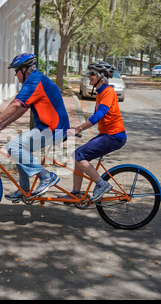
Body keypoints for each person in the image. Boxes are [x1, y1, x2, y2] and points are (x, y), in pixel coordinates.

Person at [0, 53, 70, 202]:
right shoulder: (36, 80)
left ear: (25, 70)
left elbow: (15, 104)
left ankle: (46, 176)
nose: (15, 75)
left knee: (13, 146)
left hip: (53, 129)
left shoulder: (34, 81)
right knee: (18, 150)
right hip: (50, 128)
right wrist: (3, 125)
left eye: (16, 71)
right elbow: (22, 108)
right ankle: (24, 190)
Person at [61, 61, 127, 201]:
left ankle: (101, 184)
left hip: (114, 136)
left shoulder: (108, 92)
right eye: (89, 73)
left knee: (78, 155)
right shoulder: (101, 92)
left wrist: (79, 128)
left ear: (101, 77)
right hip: (107, 135)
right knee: (77, 157)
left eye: (92, 74)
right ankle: (76, 193)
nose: (89, 76)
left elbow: (99, 115)